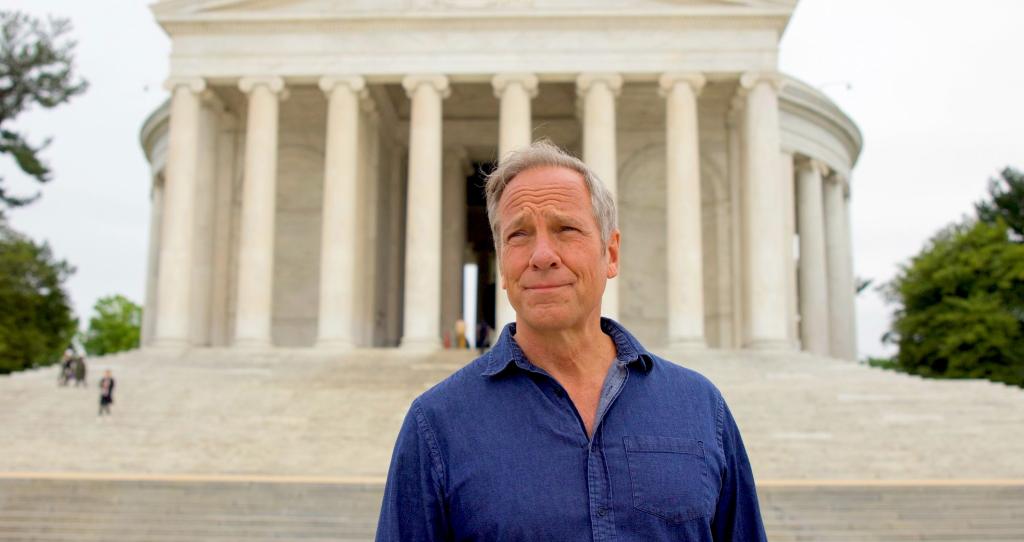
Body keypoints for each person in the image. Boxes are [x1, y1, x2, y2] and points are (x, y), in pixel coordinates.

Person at [376, 141, 766, 541]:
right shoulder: (437, 425)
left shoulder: (699, 408)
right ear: (503, 266)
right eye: (519, 235)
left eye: (566, 229)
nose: (542, 255)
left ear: (610, 253)